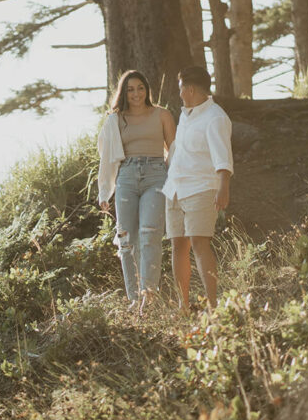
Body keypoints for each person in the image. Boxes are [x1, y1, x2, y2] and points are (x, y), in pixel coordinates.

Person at [97, 70, 177, 307]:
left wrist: (175, 182)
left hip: (155, 175)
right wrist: (104, 191)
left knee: (150, 233)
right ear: (124, 92)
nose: (136, 93)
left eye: (140, 88)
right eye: (130, 89)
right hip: (127, 177)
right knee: (126, 239)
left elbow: (175, 151)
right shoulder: (115, 120)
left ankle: (148, 296)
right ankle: (134, 299)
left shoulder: (162, 114)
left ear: (147, 89)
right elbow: (107, 156)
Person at [161, 65, 233, 311]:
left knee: (199, 243)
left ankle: (213, 306)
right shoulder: (186, 115)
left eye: (181, 89)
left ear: (190, 89)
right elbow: (180, 150)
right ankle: (184, 306)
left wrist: (223, 186)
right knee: (178, 246)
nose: (179, 94)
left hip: (201, 188)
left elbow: (222, 155)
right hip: (175, 189)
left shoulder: (216, 117)